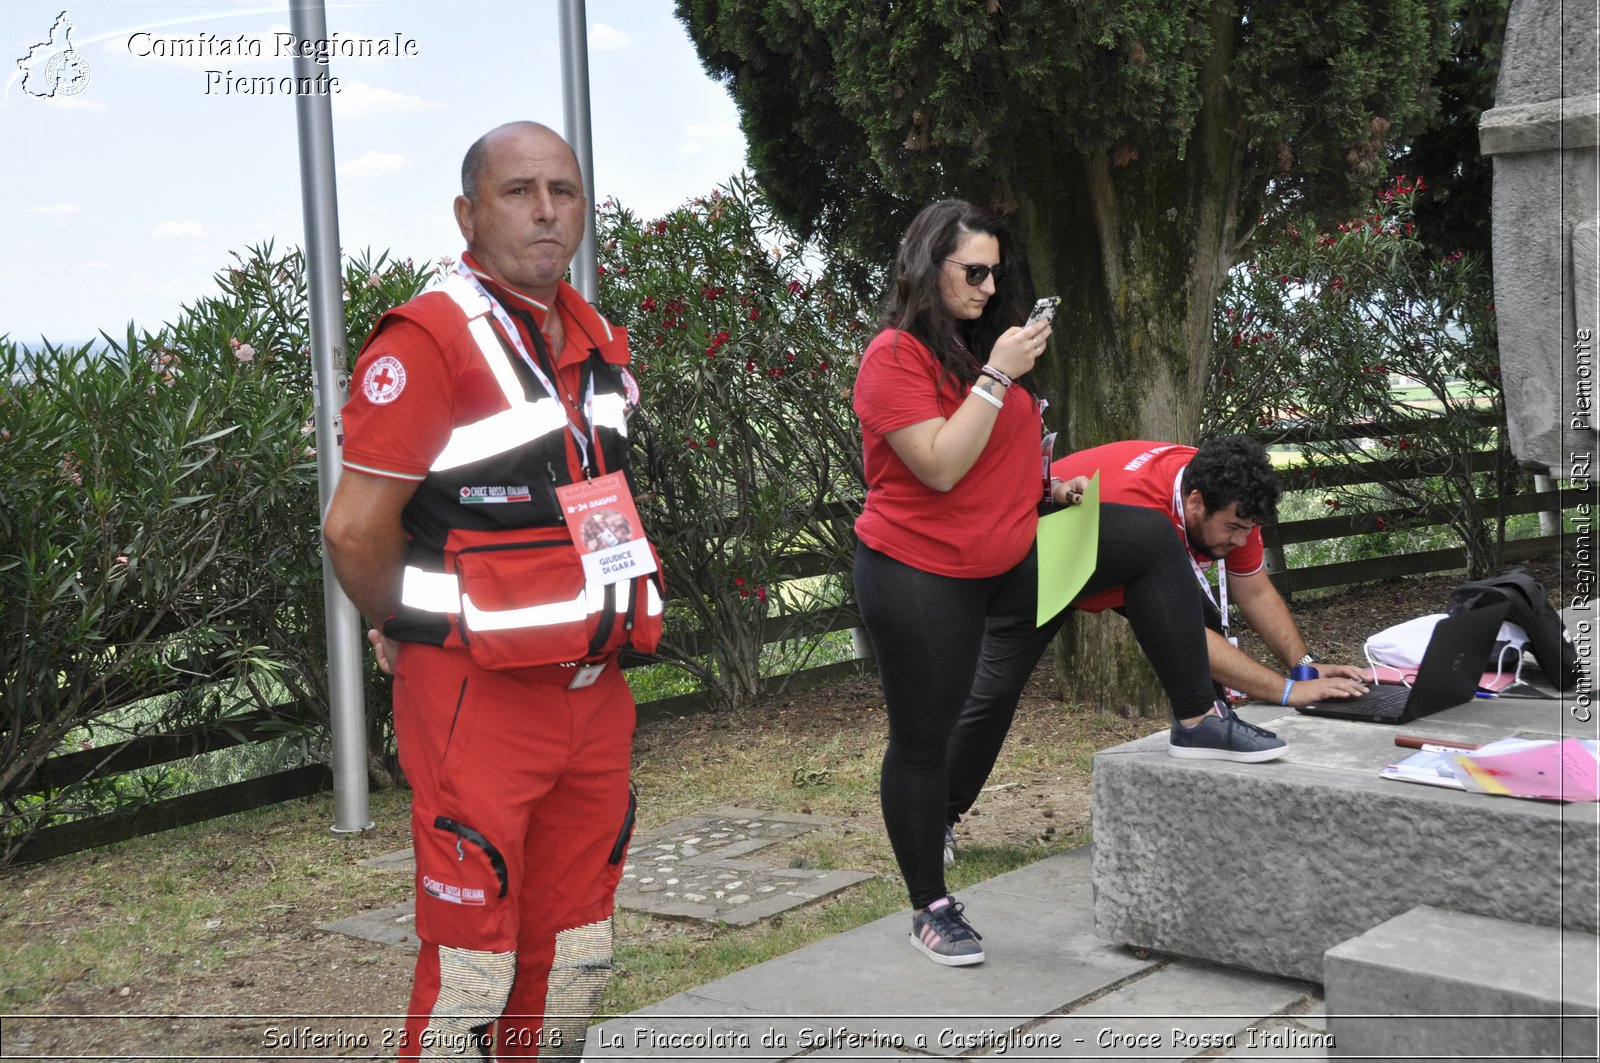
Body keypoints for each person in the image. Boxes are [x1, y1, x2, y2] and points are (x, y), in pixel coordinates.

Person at [852, 200, 1273, 969]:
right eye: (971, 271)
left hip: (1002, 556)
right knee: (923, 739)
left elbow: (989, 460)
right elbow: (940, 464)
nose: (987, 286)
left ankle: (1197, 716)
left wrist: (1040, 493)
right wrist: (994, 376)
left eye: (996, 272)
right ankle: (931, 906)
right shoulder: (894, 357)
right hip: (919, 574)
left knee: (1146, 538)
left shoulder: (983, 357)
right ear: (927, 267)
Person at [323, 121, 661, 1060]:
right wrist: (400, 618)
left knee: (577, 947)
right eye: (520, 191)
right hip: (474, 693)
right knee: (475, 963)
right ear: (468, 212)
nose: (548, 210)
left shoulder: (588, 335)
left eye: (564, 189)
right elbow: (353, 528)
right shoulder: (429, 339)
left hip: (594, 693)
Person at [944, 437, 1369, 853]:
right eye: (1234, 529)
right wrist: (1288, 690)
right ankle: (937, 816)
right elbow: (1186, 638)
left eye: (1248, 530)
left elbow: (1253, 590)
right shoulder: (1142, 506)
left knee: (1199, 622)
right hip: (1046, 553)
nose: (1240, 541)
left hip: (1126, 565)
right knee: (993, 691)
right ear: (1197, 502)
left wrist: (1303, 664)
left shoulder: (1233, 494)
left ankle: (1210, 749)